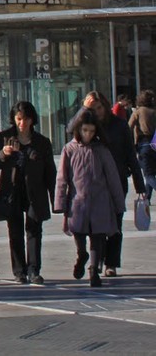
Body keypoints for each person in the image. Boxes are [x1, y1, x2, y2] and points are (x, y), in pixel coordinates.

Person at [75, 91, 143, 277]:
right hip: (93, 183)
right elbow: (70, 132)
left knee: (115, 225)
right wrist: (83, 110)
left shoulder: (119, 125)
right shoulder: (87, 126)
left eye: (99, 108)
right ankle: (98, 260)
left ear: (105, 106)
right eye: (92, 109)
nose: (97, 112)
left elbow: (130, 155)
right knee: (96, 226)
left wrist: (140, 185)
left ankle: (111, 263)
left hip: (117, 180)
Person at [55, 111, 125, 288]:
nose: (88, 134)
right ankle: (81, 255)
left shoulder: (101, 150)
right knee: (78, 232)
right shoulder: (69, 149)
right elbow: (62, 178)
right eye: (85, 130)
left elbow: (113, 178)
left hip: (100, 201)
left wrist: (119, 204)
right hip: (77, 201)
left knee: (98, 236)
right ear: (78, 129)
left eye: (91, 131)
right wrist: (60, 202)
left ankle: (94, 270)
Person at [0, 101, 55, 284]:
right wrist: (4, 153)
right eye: (19, 119)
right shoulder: (4, 138)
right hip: (12, 190)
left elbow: (50, 171)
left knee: (34, 230)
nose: (22, 123)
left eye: (26, 119)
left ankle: (34, 270)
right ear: (14, 119)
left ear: (32, 119)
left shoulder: (42, 142)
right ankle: (19, 271)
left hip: (35, 191)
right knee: (15, 231)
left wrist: (55, 197)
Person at [130, 89, 156, 196]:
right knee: (151, 172)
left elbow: (129, 126)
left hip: (143, 144)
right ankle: (147, 198)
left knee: (148, 174)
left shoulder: (138, 111)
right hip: (154, 143)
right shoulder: (154, 111)